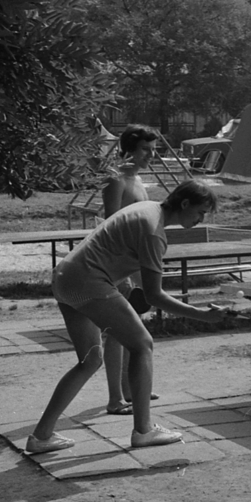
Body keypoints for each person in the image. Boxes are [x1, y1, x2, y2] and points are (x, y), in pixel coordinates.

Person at [26, 180, 230, 453]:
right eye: (200, 212)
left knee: (89, 360)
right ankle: (144, 430)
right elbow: (154, 295)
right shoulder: (154, 231)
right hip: (88, 282)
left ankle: (41, 436)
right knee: (142, 344)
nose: (201, 219)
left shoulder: (146, 208)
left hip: (65, 278)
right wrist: (201, 315)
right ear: (184, 204)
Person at [101, 126, 159, 415]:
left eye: (153, 149)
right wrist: (122, 272)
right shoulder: (115, 178)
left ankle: (130, 388)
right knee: (115, 332)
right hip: (114, 265)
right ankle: (115, 399)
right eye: (145, 149)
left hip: (133, 262)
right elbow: (109, 226)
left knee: (134, 328)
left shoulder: (137, 179)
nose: (151, 155)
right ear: (129, 148)